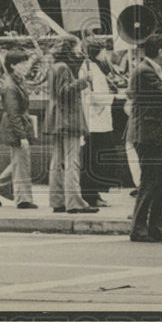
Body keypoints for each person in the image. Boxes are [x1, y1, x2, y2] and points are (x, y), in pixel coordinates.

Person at [128, 33, 162, 243]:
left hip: (158, 135)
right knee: (149, 182)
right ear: (159, 51)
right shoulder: (145, 72)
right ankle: (139, 228)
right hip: (149, 135)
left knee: (161, 184)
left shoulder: (152, 70)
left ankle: (157, 227)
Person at [43, 38, 98, 215]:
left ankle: (57, 200)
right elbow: (64, 92)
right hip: (69, 119)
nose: (78, 50)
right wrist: (83, 81)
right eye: (76, 47)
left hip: (57, 118)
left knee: (57, 162)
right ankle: (74, 202)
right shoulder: (64, 67)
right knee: (72, 161)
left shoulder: (55, 66)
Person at [0, 49, 37, 209]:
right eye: (22, 63)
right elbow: (13, 113)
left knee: (19, 161)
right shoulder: (10, 86)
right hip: (16, 126)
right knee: (22, 163)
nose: (25, 66)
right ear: (13, 65)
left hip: (18, 125)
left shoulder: (16, 81)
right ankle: (23, 199)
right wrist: (22, 136)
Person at [79, 36, 117, 208]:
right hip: (94, 120)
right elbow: (94, 96)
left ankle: (96, 192)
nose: (105, 53)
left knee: (101, 159)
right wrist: (111, 97)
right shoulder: (88, 68)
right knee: (93, 160)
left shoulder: (96, 67)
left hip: (101, 120)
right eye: (103, 50)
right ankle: (90, 194)